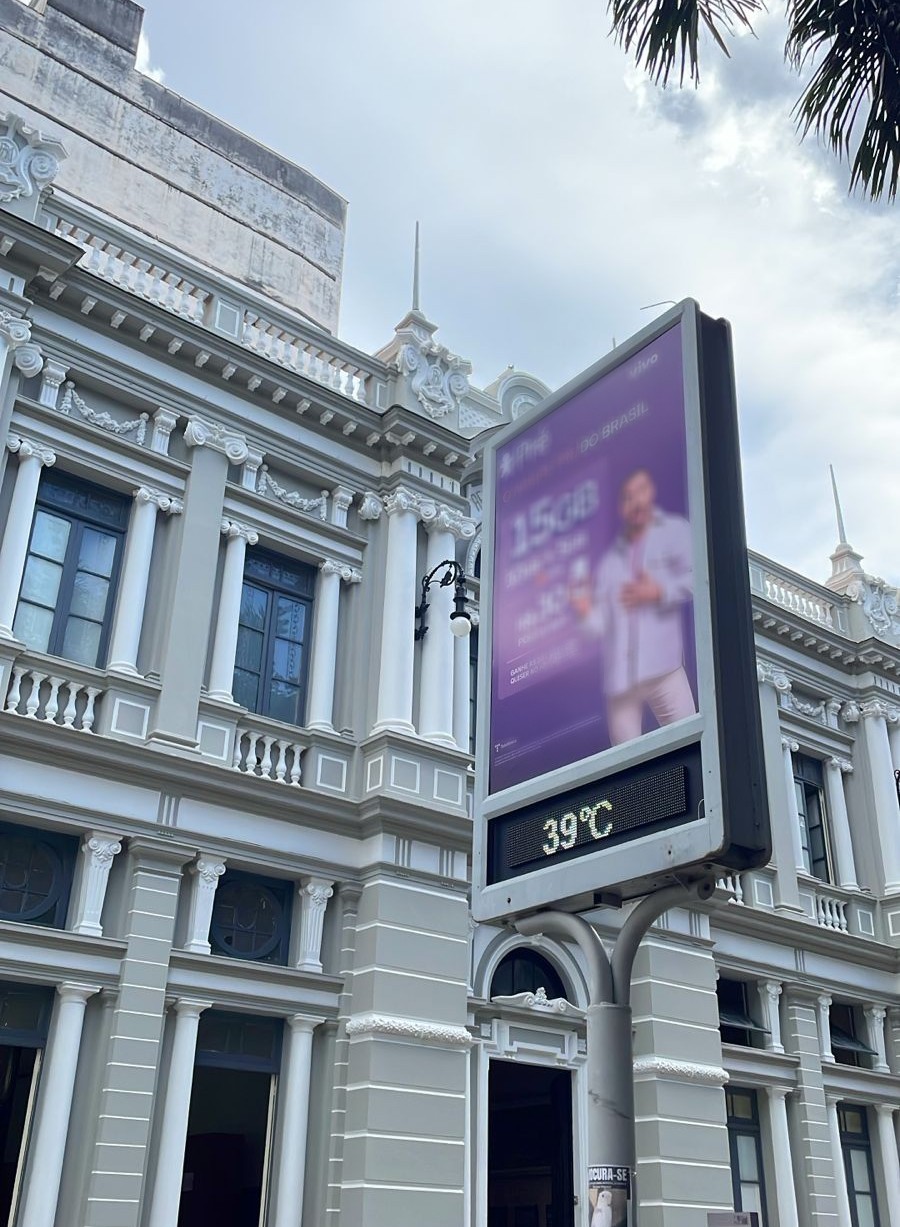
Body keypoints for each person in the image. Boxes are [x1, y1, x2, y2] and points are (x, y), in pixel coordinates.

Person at [572, 467, 696, 746]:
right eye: (628, 497)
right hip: (622, 680)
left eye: (640, 491)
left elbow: (698, 577)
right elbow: (599, 625)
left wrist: (659, 590)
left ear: (651, 492)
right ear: (621, 507)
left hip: (664, 666)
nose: (636, 501)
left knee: (690, 746)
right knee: (625, 768)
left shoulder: (674, 530)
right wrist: (582, 610)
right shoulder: (610, 562)